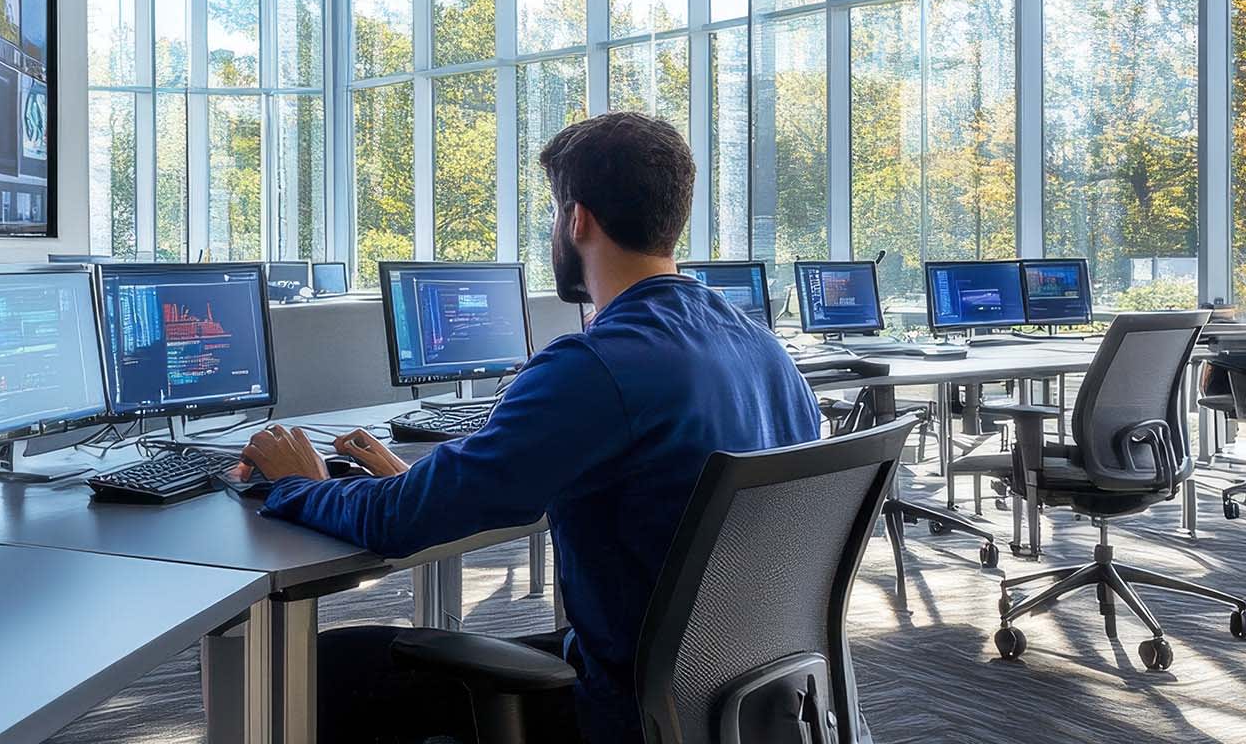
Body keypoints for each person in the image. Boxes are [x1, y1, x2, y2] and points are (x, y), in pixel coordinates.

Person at [230, 112, 824, 743]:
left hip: (626, 710)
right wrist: (432, 479)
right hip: (736, 697)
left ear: (578, 220)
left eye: (552, 212)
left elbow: (399, 524)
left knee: (325, 671)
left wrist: (300, 484)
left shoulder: (597, 364)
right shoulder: (764, 349)